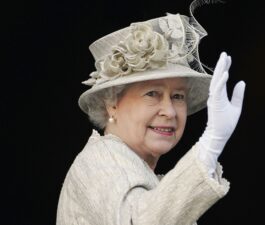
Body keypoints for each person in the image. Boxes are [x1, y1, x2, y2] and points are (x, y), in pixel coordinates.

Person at [56, 1, 246, 224]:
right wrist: (211, 144)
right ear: (112, 103)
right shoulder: (101, 160)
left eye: (178, 96)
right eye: (152, 93)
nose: (169, 111)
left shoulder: (136, 170)